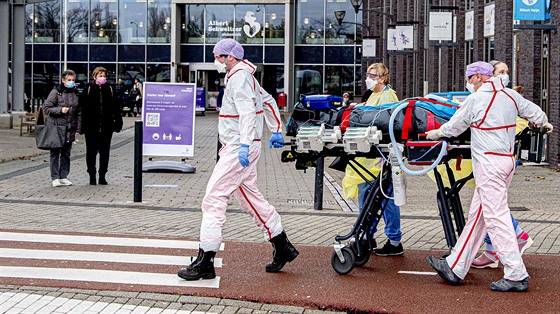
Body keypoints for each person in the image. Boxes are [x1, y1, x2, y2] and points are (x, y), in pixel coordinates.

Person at [426, 61, 553, 292]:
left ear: (477, 78)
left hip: (488, 164)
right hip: (507, 161)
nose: (469, 83)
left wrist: (434, 133)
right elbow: (537, 114)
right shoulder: (511, 96)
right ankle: (455, 266)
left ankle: (516, 273)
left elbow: (453, 127)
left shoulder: (476, 99)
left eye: (469, 78)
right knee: (479, 216)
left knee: (496, 216)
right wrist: (543, 123)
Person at [177, 38, 297, 281]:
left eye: (218, 56)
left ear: (230, 57)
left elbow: (246, 113)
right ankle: (282, 243)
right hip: (242, 146)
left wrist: (244, 145)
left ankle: (206, 260)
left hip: (238, 148)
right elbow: (269, 101)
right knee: (248, 197)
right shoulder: (245, 76)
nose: (216, 60)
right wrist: (275, 130)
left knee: (214, 197)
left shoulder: (240, 77)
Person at [470, 61, 533, 269]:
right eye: (501, 72)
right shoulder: (495, 97)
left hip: (492, 160)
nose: (504, 76)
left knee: (494, 209)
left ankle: (513, 263)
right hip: (499, 158)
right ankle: (488, 250)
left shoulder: (501, 97)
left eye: (506, 72)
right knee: (491, 207)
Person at [342, 63, 403, 256]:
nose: (369, 78)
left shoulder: (386, 96)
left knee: (383, 198)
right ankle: (369, 234)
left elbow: (383, 122)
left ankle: (386, 238)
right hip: (369, 155)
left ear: (383, 78)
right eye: (368, 74)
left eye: (373, 75)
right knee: (375, 197)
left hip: (378, 157)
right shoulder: (374, 95)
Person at [79, 66, 123, 185]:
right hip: (91, 127)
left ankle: (102, 175)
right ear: (94, 76)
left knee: (105, 152)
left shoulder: (110, 88)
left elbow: (116, 107)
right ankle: (92, 175)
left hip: (106, 126)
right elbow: (82, 108)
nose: (102, 78)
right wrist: (81, 126)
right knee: (91, 152)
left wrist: (118, 123)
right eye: (100, 76)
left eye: (104, 76)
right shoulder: (88, 89)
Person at [43, 69, 81, 187]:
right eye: (69, 80)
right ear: (63, 81)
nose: (71, 82)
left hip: (70, 127)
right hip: (56, 127)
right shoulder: (56, 92)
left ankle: (63, 176)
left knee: (66, 153)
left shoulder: (76, 93)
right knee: (55, 152)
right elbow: (46, 108)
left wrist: (79, 128)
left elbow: (79, 112)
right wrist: (60, 110)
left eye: (73, 80)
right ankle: (55, 177)